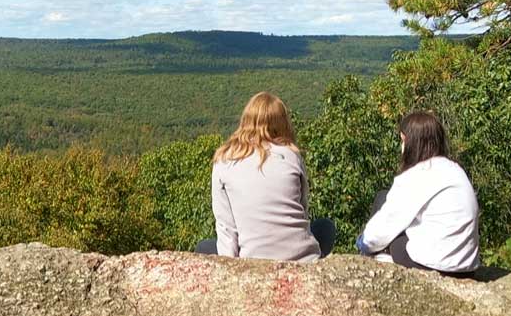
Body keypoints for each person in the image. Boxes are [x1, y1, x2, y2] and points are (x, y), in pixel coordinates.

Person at [195, 92, 335, 261]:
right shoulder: (291, 155)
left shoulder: (224, 160)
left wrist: (230, 267)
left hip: (253, 259)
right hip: (304, 258)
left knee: (204, 246)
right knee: (325, 227)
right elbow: (303, 212)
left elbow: (227, 228)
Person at [356, 111, 480, 276]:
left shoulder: (416, 176)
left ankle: (378, 262)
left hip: (436, 266)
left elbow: (380, 231)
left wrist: (361, 244)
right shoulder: (455, 170)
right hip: (466, 267)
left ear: (411, 142)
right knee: (387, 202)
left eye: (402, 140)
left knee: (386, 213)